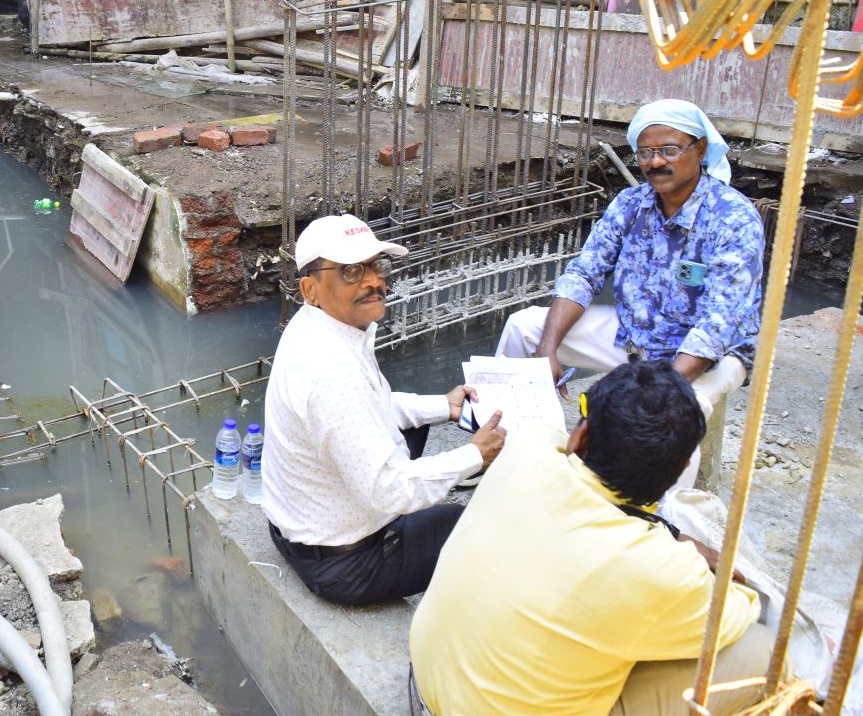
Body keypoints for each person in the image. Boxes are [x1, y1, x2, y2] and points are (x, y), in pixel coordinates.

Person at [410, 360, 775, 716]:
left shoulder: (527, 449)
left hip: (425, 683)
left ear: (580, 435)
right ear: (677, 472)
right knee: (762, 651)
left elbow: (554, 442)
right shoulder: (659, 569)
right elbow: (740, 608)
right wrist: (681, 550)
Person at [496, 99, 763, 478]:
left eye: (669, 150)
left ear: (700, 149)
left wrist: (649, 391)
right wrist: (547, 349)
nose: (655, 162)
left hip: (710, 356)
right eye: (645, 152)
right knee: (524, 327)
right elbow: (585, 273)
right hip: (636, 335)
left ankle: (670, 519)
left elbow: (718, 324)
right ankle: (514, 447)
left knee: (674, 420)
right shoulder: (631, 204)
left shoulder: (733, 219)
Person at [262, 214, 506, 606]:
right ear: (310, 289)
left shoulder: (323, 326)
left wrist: (443, 407)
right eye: (351, 271)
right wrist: (474, 456)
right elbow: (386, 491)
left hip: (302, 522)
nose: (373, 280)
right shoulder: (329, 371)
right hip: (344, 564)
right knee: (479, 528)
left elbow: (370, 407)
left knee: (415, 429)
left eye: (377, 265)